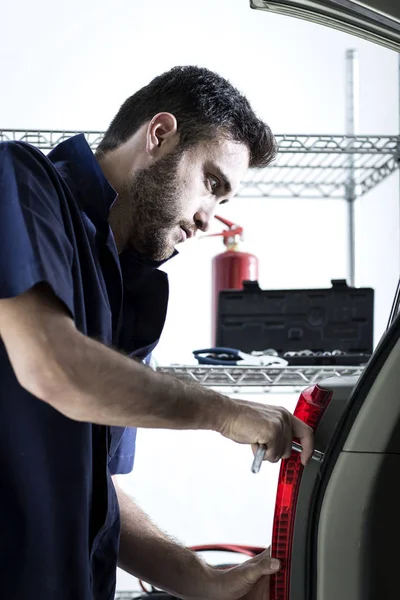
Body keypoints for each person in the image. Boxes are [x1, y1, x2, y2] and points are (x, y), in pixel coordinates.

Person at [0, 66, 313, 600]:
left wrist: (206, 583)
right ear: (160, 134)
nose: (209, 217)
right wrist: (222, 410)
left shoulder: (134, 287)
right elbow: (56, 368)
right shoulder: (21, 181)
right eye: (212, 183)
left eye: (224, 201)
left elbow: (100, 489)